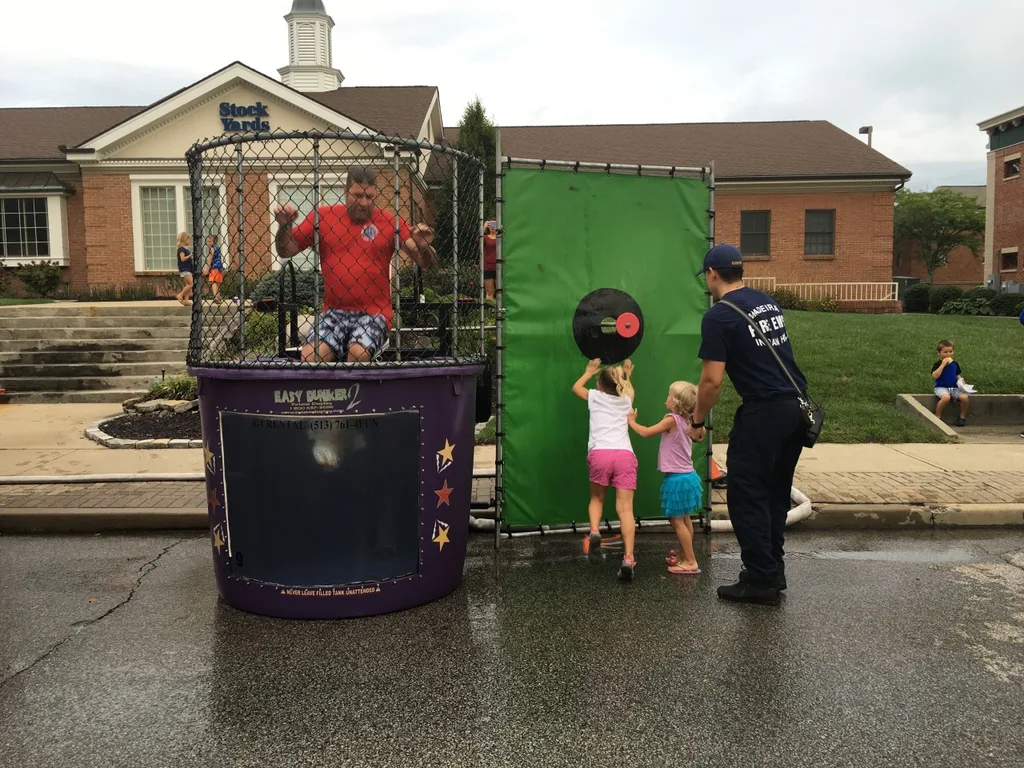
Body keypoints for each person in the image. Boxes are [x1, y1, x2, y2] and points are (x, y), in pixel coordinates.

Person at [688, 244, 807, 606]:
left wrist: (697, 420)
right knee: (774, 494)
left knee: (746, 495)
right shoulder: (765, 301)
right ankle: (772, 570)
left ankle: (760, 580)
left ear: (711, 274)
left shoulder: (718, 316)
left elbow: (711, 382)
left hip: (764, 414)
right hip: (796, 409)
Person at [273, 166, 437, 363]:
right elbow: (286, 250)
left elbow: (424, 261)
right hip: (333, 312)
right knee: (311, 356)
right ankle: (328, 393)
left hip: (375, 313)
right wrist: (284, 226)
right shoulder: (323, 217)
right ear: (345, 191)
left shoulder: (390, 222)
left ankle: (358, 394)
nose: (364, 203)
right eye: (358, 195)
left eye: (370, 197)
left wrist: (424, 247)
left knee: (357, 353)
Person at [572, 357, 638, 581]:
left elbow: (576, 388)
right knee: (626, 509)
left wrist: (589, 371)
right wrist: (627, 373)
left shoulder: (595, 396)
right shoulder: (626, 400)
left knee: (597, 499)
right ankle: (628, 557)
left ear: (600, 385)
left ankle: (595, 531)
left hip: (600, 454)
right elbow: (628, 390)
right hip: (624, 455)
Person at [628, 381, 703, 575]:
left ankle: (690, 561)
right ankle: (685, 555)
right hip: (688, 476)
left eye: (670, 395)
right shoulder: (689, 420)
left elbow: (645, 433)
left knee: (677, 521)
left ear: (676, 403)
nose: (667, 397)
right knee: (685, 519)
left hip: (677, 480)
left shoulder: (671, 419)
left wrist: (631, 421)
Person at [931, 339, 969, 427]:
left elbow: (957, 374)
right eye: (945, 352)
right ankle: (937, 415)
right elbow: (935, 375)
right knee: (946, 397)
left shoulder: (955, 364)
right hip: (941, 387)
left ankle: (962, 417)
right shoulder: (938, 364)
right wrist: (942, 365)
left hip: (954, 387)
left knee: (965, 397)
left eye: (950, 351)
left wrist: (961, 380)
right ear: (939, 353)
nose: (948, 354)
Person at [202, 235, 225, 302]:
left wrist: (207, 268)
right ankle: (218, 296)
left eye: (210, 241)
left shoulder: (212, 249)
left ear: (214, 242)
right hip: (219, 267)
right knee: (218, 282)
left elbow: (210, 259)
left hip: (214, 267)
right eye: (208, 241)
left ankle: (215, 296)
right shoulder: (217, 247)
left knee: (213, 282)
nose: (208, 243)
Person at [175, 232, 193, 306]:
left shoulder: (184, 249)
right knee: (191, 284)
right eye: (189, 240)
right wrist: (190, 255)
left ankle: (186, 300)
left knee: (188, 286)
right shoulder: (181, 249)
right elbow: (182, 259)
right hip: (185, 269)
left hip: (188, 269)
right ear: (185, 239)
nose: (189, 242)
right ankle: (180, 295)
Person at [482, 221, 497, 300]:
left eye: (495, 224)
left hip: (499, 266)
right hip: (488, 267)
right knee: (489, 291)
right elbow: (478, 241)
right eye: (491, 225)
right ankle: (490, 310)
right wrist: (484, 228)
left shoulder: (501, 237)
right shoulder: (485, 237)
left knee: (501, 290)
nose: (493, 227)